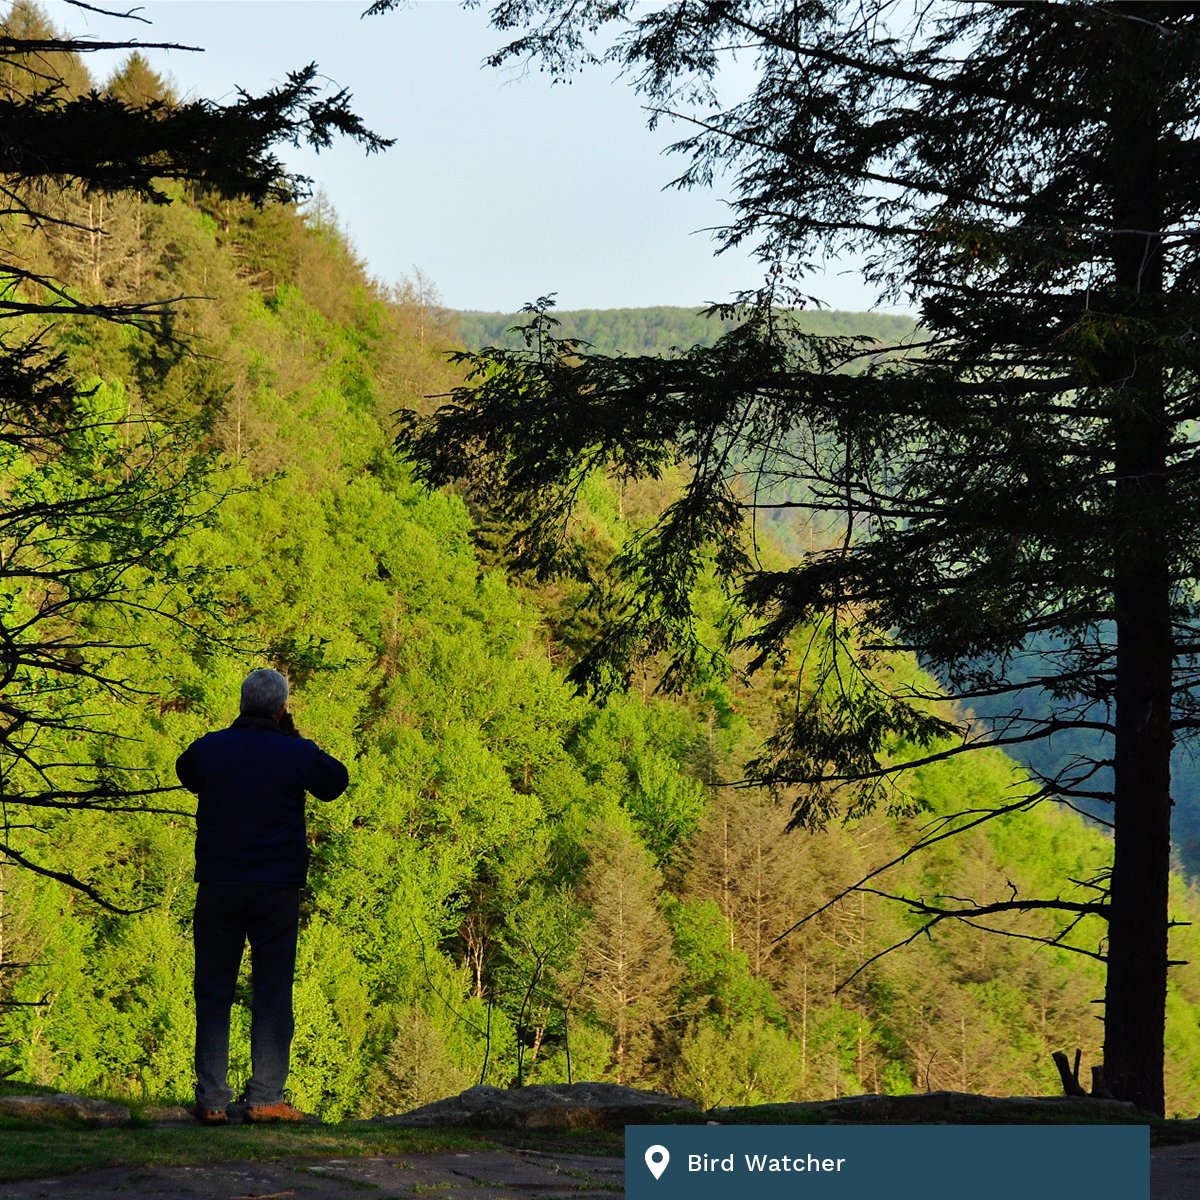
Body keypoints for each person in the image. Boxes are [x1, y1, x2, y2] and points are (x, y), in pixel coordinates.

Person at [176, 668, 349, 1125]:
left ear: (241, 703)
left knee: (213, 990)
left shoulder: (211, 748)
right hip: (276, 888)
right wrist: (293, 737)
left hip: (219, 883)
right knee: (271, 991)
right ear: (280, 707)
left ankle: (212, 1100)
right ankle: (265, 1098)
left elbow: (186, 772)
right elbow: (335, 783)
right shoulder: (295, 752)